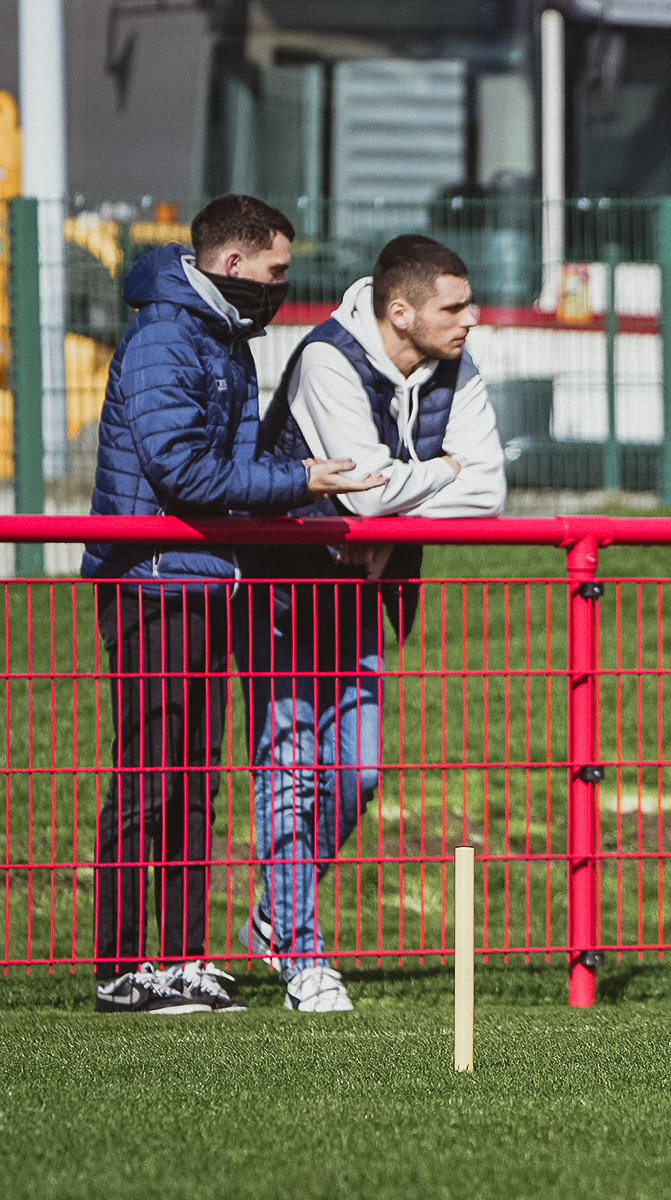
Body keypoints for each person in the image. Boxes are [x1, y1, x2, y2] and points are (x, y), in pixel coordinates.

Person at [84, 194, 383, 1014]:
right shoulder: (163, 339)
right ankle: (118, 970)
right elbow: (186, 475)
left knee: (193, 780)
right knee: (147, 776)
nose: (286, 285)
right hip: (148, 579)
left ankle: (181, 960)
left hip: (209, 580)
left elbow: (227, 473)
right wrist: (307, 480)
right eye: (278, 271)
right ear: (234, 264)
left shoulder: (224, 339)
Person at [240, 234, 505, 1012]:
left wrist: (398, 504)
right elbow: (362, 494)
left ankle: (271, 915)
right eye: (453, 307)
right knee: (289, 774)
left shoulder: (457, 364)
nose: (471, 319)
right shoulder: (328, 358)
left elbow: (488, 492)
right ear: (401, 311)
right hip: (281, 595)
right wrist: (436, 477)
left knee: (356, 779)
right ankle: (300, 954)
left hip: (360, 598)